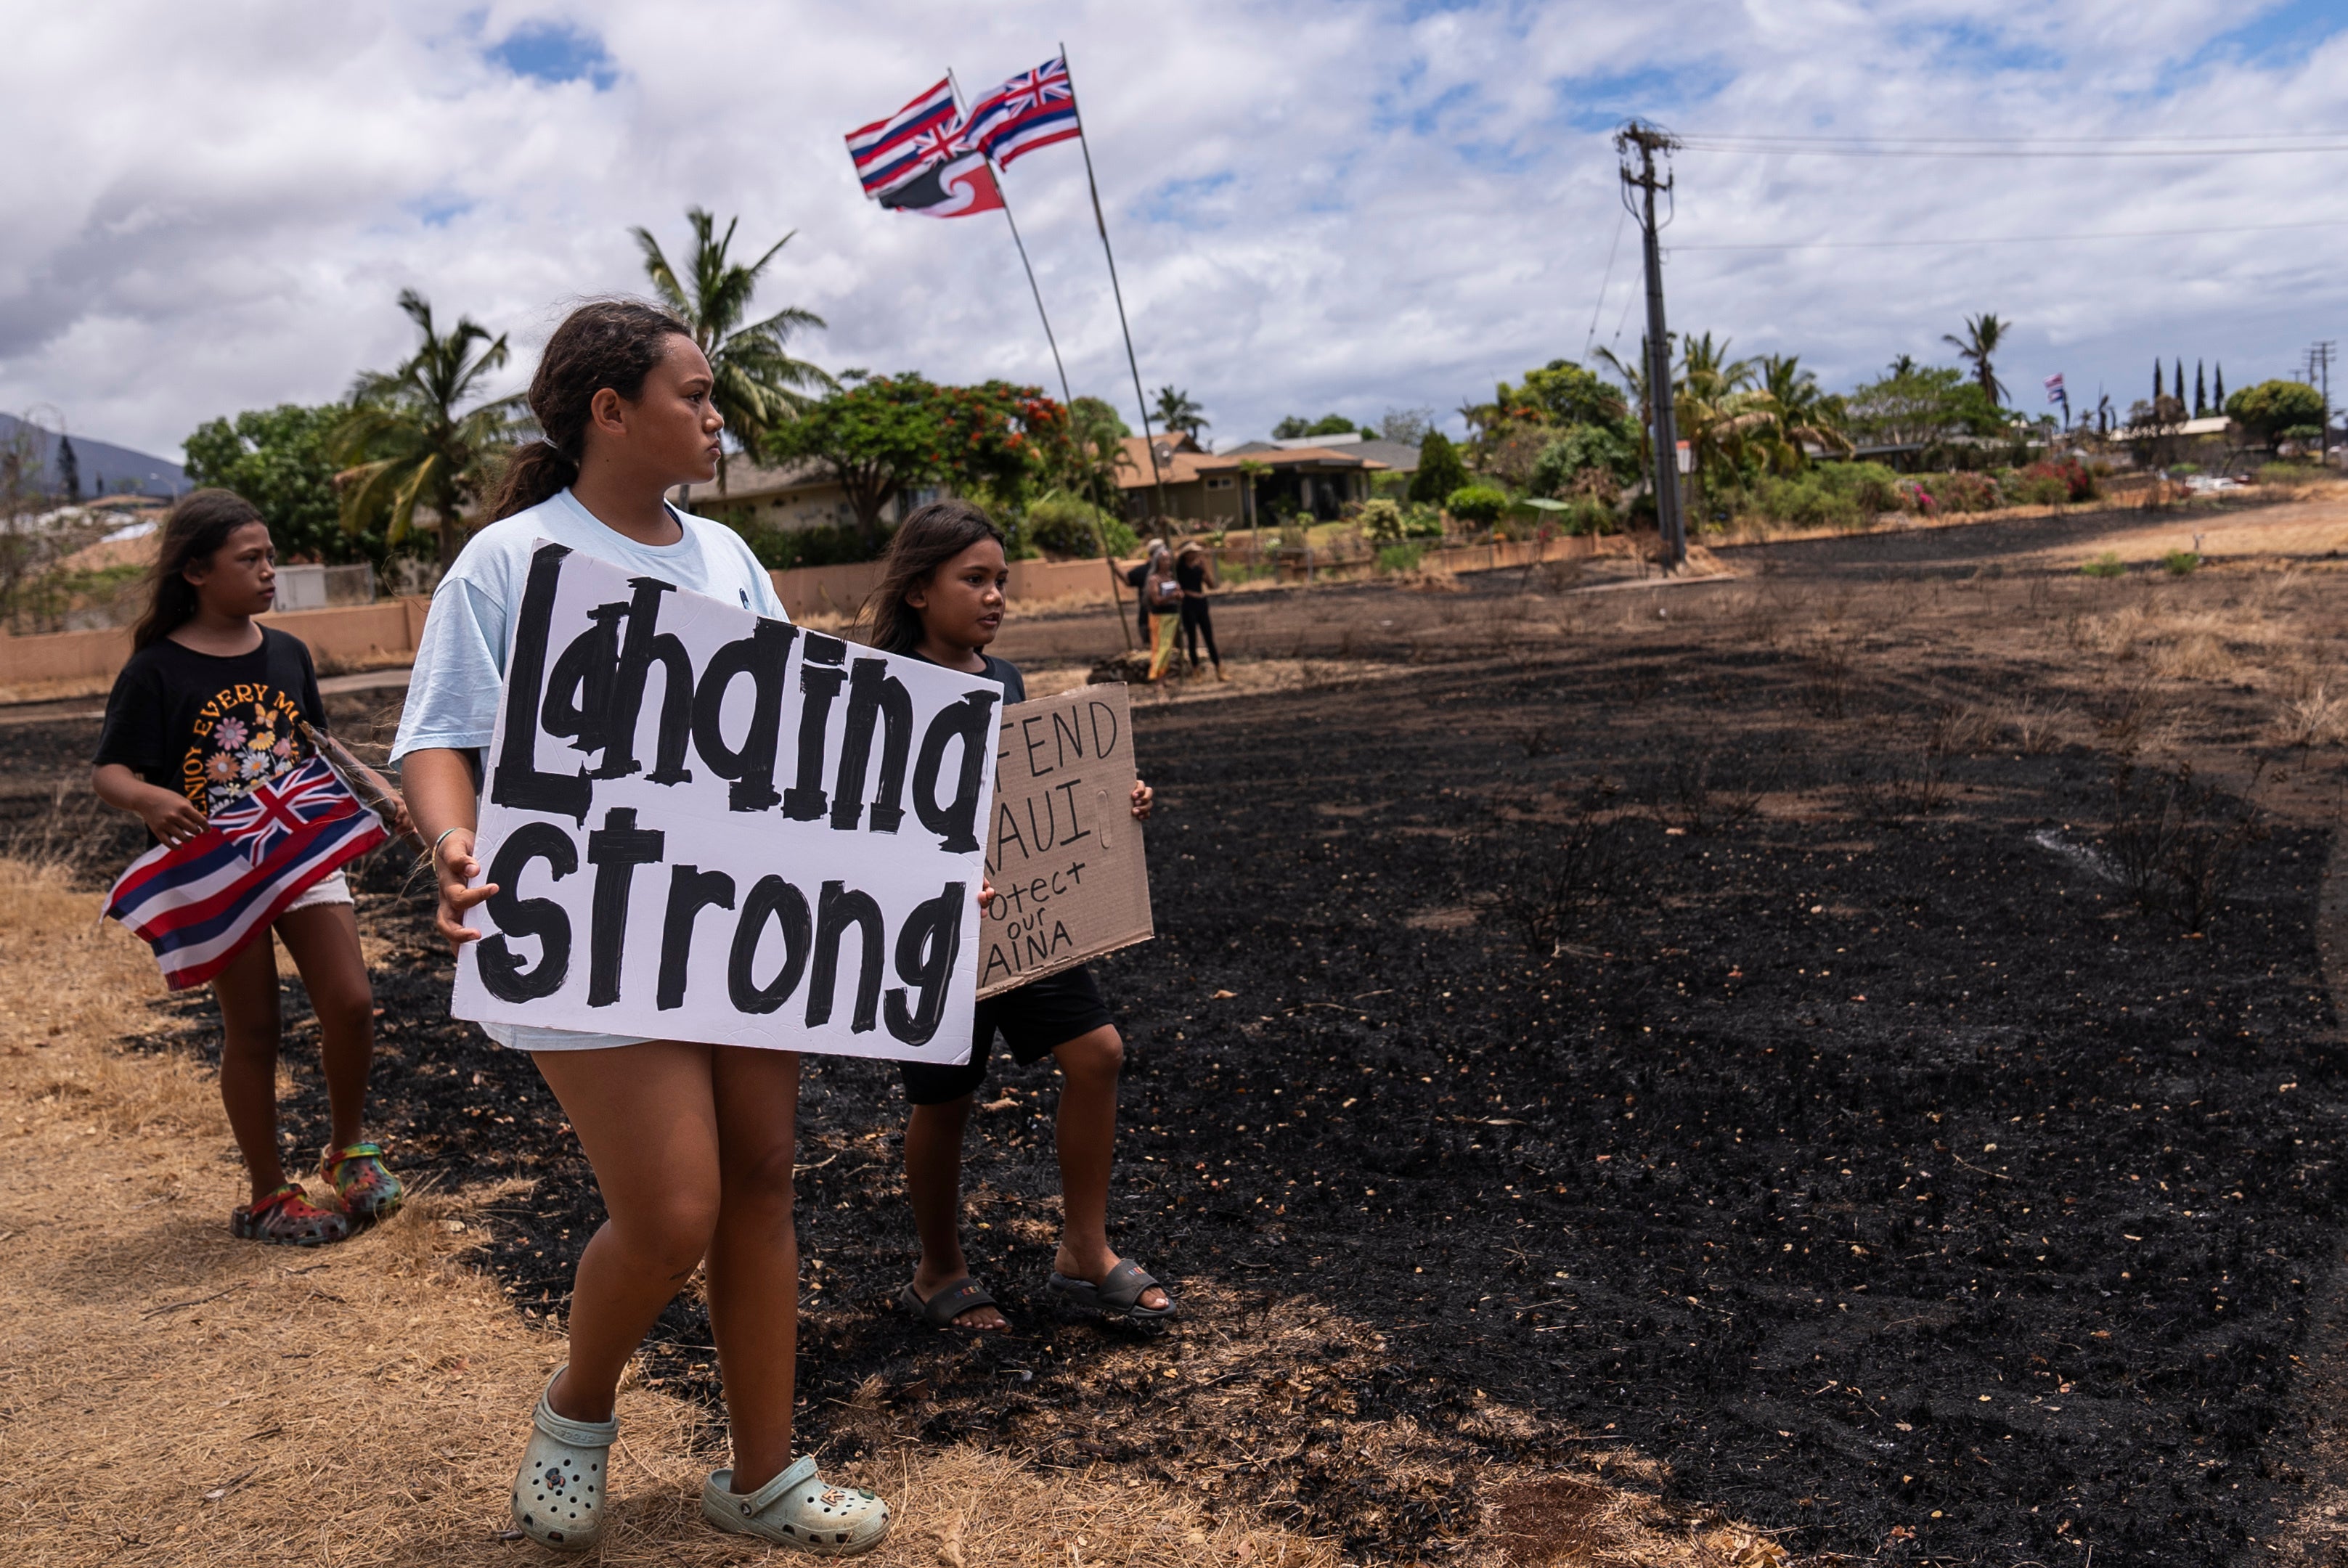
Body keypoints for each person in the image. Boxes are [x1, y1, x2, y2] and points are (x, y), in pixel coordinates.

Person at [391, 299, 889, 1556]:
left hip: (737, 919)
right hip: (589, 918)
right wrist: (451, 843)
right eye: (696, 392)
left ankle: (764, 1477)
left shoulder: (727, 558)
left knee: (762, 1183)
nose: (718, 415)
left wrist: (906, 876)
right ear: (611, 411)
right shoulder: (507, 562)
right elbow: (439, 740)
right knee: (673, 1212)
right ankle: (576, 1407)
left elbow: (801, 746)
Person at [855, 500, 1177, 1334]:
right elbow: (859, 822)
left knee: (1099, 1053)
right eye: (976, 580)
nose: (996, 596)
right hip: (931, 932)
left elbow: (1027, 798)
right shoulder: (880, 689)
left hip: (1025, 920)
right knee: (945, 1101)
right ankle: (938, 1271)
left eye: (1001, 580)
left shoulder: (1005, 681)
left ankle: (1084, 1250)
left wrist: (1112, 799)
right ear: (920, 590)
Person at [92, 489, 412, 1246]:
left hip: (298, 854)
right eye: (252, 559)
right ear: (197, 571)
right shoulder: (156, 671)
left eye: (269, 557)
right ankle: (268, 1196)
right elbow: (109, 771)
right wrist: (149, 799)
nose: (271, 571)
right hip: (217, 870)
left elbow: (314, 749)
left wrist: (379, 794)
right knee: (256, 1027)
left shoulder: (288, 654)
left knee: (352, 1001)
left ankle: (348, 1153)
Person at [1174, 540, 1225, 680]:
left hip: (1201, 603)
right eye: (1193, 552)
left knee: (1209, 637)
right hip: (1188, 604)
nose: (1196, 554)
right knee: (1192, 638)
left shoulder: (1198, 569)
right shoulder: (1179, 570)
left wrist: (1205, 569)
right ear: (1187, 554)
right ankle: (1196, 671)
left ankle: (1219, 668)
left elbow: (1212, 585)